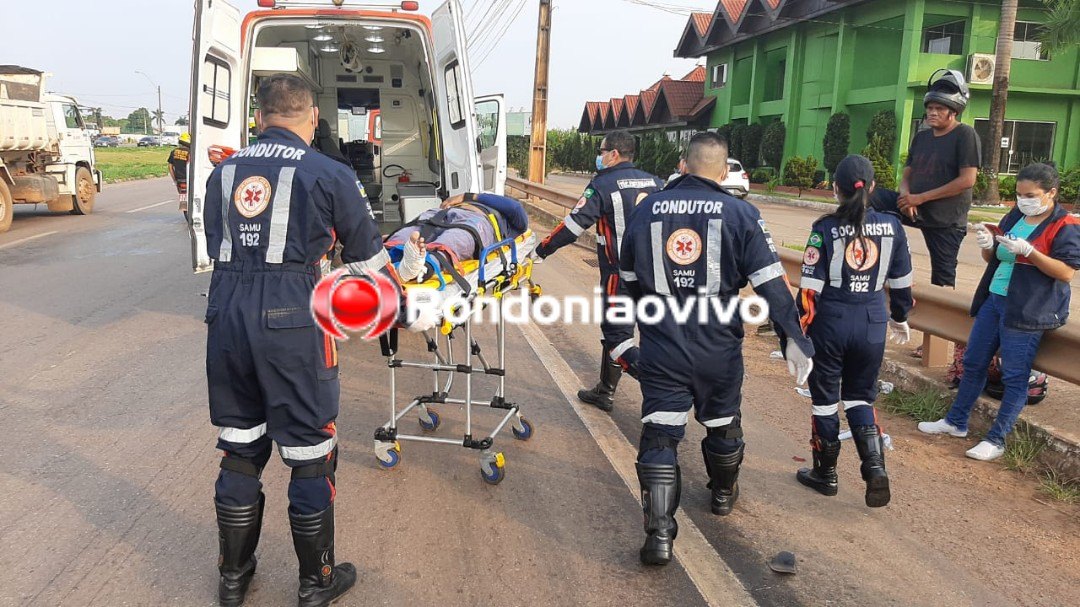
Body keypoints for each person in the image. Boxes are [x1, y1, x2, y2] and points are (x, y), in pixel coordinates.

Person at [203, 74, 431, 607]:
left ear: (260, 118)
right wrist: (398, 310)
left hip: (228, 314)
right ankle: (316, 582)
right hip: (292, 317)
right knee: (309, 452)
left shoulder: (223, 173)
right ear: (311, 119)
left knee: (240, 445)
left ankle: (233, 579)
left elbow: (217, 241)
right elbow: (369, 261)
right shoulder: (329, 172)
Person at [619, 132, 815, 565]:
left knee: (660, 432)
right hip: (718, 347)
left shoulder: (646, 209)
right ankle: (723, 494)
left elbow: (626, 282)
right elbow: (772, 286)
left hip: (662, 342)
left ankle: (660, 536)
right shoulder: (742, 213)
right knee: (723, 424)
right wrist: (794, 340)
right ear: (724, 172)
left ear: (683, 165)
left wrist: (622, 337)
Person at [918, 163, 1080, 460]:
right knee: (974, 361)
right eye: (1019, 194)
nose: (1023, 200)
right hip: (995, 298)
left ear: (1051, 193)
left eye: (1030, 195)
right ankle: (956, 421)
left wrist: (1030, 252)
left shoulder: (1065, 224)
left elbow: (1066, 272)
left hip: (1028, 309)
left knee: (1015, 376)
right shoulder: (1018, 215)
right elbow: (997, 254)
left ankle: (997, 439)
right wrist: (987, 244)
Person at [795, 155, 914, 508]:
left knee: (825, 401)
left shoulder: (824, 229)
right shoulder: (893, 227)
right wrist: (900, 315)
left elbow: (808, 290)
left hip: (830, 323)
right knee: (861, 397)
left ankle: (825, 474)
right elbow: (903, 283)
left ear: (835, 189)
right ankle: (874, 467)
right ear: (874, 187)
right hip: (872, 322)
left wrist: (799, 334)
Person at [534, 129, 664, 412]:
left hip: (620, 275)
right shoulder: (656, 182)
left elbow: (573, 226)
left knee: (618, 336)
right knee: (651, 334)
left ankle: (661, 386)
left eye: (602, 150)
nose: (599, 155)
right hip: (656, 276)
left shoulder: (603, 184)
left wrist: (542, 250)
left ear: (614, 154)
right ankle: (605, 390)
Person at [897, 69, 981, 288]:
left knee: (942, 279)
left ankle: (941, 313)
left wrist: (920, 198)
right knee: (872, 199)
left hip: (946, 221)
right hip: (914, 207)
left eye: (939, 109)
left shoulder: (965, 135)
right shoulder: (922, 137)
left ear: (953, 112)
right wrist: (906, 197)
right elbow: (907, 173)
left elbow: (967, 180)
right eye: (930, 108)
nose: (932, 113)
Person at [386, 192, 528, 282]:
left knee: (457, 238)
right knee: (414, 232)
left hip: (476, 220)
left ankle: (427, 264)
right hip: (443, 214)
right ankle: (389, 254)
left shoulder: (514, 223)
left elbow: (514, 207)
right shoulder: (472, 202)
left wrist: (468, 196)